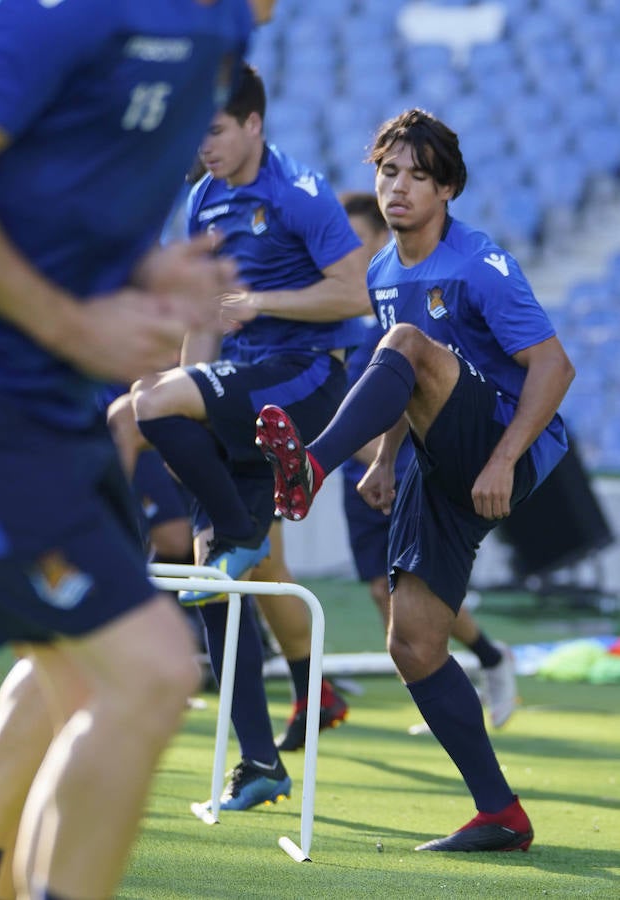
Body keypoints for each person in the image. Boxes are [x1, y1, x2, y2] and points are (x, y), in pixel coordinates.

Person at [0, 2, 276, 897]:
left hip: (56, 412)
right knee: (152, 672)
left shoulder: (225, 37)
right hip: (13, 407)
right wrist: (75, 322)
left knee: (70, 683)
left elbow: (52, 203)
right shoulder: (70, 16)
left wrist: (142, 275)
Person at [256, 108, 575, 852]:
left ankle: (309, 463)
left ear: (447, 192)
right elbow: (404, 381)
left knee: (404, 339)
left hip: (505, 446)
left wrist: (501, 460)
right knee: (413, 645)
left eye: (418, 177)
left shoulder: (477, 262)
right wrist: (383, 457)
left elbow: (554, 367)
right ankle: (500, 814)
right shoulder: (379, 271)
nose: (398, 188)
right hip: (440, 462)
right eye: (388, 172)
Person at [109, 63, 369, 813]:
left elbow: (354, 290)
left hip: (305, 379)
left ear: (253, 125)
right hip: (244, 396)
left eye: (215, 130)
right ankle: (258, 763)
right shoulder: (200, 199)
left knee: (146, 405)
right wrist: (190, 401)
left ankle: (230, 525)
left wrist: (259, 302)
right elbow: (200, 317)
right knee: (212, 586)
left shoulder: (303, 192)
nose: (204, 145)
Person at [340, 191, 517, 730]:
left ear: (377, 236)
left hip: (406, 464)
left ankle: (488, 656)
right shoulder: (351, 310)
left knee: (419, 589)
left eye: (356, 239)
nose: (348, 251)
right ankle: (440, 689)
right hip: (364, 466)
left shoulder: (403, 305)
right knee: (381, 590)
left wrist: (384, 454)